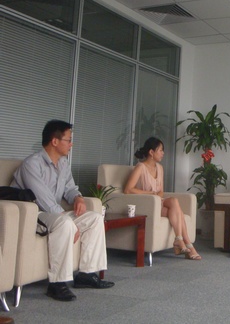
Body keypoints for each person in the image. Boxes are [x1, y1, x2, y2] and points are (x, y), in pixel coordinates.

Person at [11, 120, 114, 302]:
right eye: (68, 140)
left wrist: (78, 198)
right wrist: (71, 223)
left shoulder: (63, 164)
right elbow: (43, 199)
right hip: (33, 214)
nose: (71, 144)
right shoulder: (32, 164)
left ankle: (87, 274)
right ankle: (57, 284)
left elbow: (70, 188)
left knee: (95, 218)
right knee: (65, 223)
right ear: (55, 141)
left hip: (53, 214)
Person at [124, 137, 201, 260]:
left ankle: (179, 240)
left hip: (158, 202)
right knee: (179, 213)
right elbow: (128, 189)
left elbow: (161, 191)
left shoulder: (160, 168)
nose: (163, 153)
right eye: (160, 150)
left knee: (174, 202)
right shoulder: (140, 167)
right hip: (147, 205)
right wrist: (151, 194)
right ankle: (188, 245)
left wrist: (157, 195)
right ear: (151, 152)